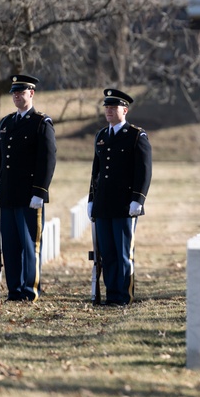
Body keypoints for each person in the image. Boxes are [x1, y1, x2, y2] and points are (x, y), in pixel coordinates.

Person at [0, 74, 57, 302]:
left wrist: (40, 191)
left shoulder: (41, 123)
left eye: (21, 92)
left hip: (30, 196)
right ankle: (14, 290)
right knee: (10, 247)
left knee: (30, 246)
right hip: (8, 196)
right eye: (14, 93)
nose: (17, 96)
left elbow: (48, 160)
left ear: (32, 93)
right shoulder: (6, 123)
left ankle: (30, 290)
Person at [88, 88, 152, 306]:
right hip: (104, 204)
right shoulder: (102, 136)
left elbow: (144, 171)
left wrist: (138, 198)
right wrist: (91, 200)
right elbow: (96, 173)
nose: (109, 111)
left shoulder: (136, 135)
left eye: (113, 107)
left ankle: (124, 295)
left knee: (123, 252)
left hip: (125, 204)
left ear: (124, 110)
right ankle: (111, 294)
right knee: (107, 253)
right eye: (106, 107)